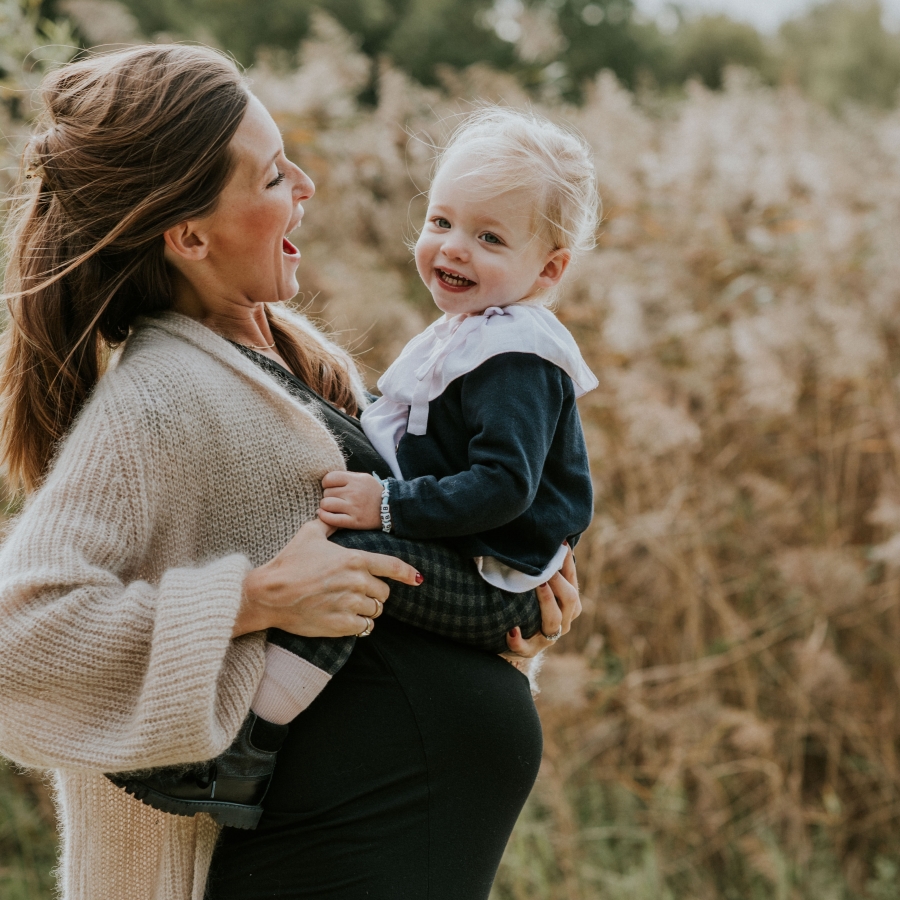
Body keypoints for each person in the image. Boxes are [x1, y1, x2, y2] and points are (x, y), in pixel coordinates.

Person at [0, 45, 582, 900]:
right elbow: (17, 647)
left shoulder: (308, 368)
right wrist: (253, 597)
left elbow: (383, 592)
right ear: (190, 235)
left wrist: (508, 618)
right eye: (272, 176)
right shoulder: (157, 401)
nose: (305, 184)